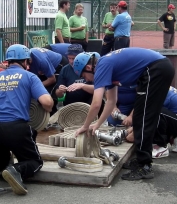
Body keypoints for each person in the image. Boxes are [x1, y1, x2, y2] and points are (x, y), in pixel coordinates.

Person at [74, 48, 174, 181]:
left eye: (83, 76)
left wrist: (85, 126)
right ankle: (141, 160)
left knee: (144, 117)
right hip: (156, 68)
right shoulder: (108, 67)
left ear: (88, 67)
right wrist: (97, 124)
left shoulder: (102, 66)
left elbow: (96, 103)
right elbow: (111, 101)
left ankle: (144, 166)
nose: (85, 80)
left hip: (156, 68)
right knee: (139, 116)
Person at [0, 44, 53, 195]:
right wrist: (47, 108)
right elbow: (47, 102)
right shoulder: (30, 77)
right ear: (25, 61)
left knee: (2, 158)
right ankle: (16, 170)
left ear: (8, 61)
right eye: (28, 62)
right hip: (16, 128)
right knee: (34, 161)